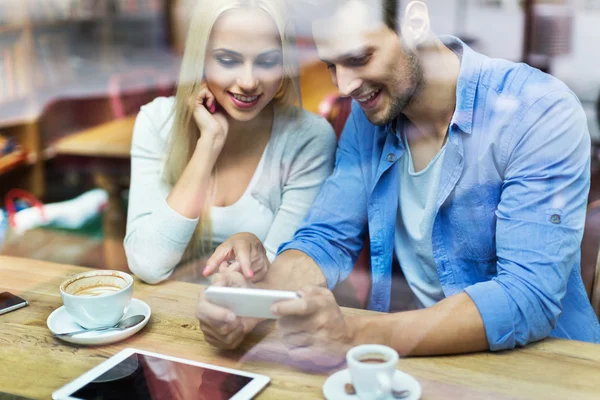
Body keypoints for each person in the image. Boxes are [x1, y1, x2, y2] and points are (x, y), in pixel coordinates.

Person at [196, 0, 600, 363]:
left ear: (415, 21)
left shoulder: (538, 110)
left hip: (541, 368)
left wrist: (357, 335)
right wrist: (248, 304)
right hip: (413, 362)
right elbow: (326, 239)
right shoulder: (370, 115)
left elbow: (527, 296)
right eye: (331, 66)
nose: (345, 86)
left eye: (358, 57)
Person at [124, 0, 336, 284]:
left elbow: (279, 277)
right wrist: (208, 144)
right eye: (228, 60)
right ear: (200, 60)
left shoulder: (308, 137)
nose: (248, 81)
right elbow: (147, 264)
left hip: (254, 316)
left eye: (267, 61)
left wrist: (251, 245)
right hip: (168, 313)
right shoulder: (157, 121)